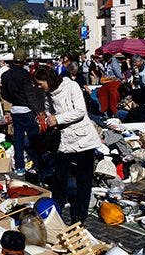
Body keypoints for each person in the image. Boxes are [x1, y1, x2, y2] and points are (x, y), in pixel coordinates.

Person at [33, 65, 101, 224]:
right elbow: (50, 111)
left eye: (39, 83)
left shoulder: (71, 86)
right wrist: (45, 118)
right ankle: (57, 205)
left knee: (84, 179)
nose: (38, 86)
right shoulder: (48, 93)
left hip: (83, 139)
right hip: (64, 139)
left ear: (48, 80)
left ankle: (79, 215)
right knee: (59, 175)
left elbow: (80, 111)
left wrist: (58, 119)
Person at [0, 49, 45, 175]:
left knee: (18, 140)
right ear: (24, 60)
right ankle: (38, 165)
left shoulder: (6, 75)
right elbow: (30, 95)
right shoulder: (25, 75)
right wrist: (39, 110)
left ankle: (19, 167)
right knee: (34, 139)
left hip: (15, 110)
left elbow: (4, 94)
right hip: (27, 109)